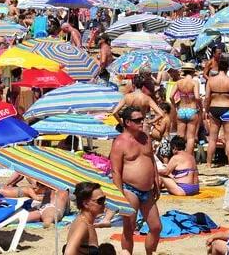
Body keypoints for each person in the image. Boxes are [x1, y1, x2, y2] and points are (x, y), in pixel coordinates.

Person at [111, 106, 162, 255]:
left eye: (142, 118)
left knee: (156, 227)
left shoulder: (145, 137)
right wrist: (119, 195)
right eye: (138, 120)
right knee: (129, 227)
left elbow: (151, 159)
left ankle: (150, 253)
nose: (142, 122)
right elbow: (116, 171)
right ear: (127, 122)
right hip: (129, 189)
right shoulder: (120, 142)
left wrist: (156, 179)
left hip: (147, 189)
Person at [204, 57, 229, 168]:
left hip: (214, 107)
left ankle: (209, 163)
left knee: (213, 138)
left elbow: (207, 97)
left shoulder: (211, 80)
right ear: (227, 68)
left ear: (218, 68)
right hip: (227, 108)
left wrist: (206, 109)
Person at [64, 182, 108, 255]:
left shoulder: (86, 221)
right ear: (86, 204)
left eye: (104, 199)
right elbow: (68, 253)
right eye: (100, 200)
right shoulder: (83, 225)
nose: (104, 203)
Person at [173, 62, 202, 154]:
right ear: (193, 72)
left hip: (181, 109)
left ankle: (178, 155)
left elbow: (170, 96)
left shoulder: (178, 82)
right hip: (192, 109)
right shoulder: (194, 82)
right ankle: (188, 157)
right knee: (190, 137)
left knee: (180, 135)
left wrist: (175, 106)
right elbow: (197, 97)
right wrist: (200, 106)